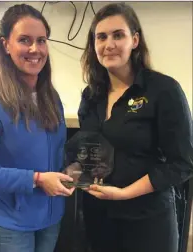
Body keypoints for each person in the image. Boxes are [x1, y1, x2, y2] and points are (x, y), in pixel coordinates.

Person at [0, 4, 75, 252]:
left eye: (41, 40)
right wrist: (36, 179)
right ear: (6, 45)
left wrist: (72, 168)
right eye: (24, 40)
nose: (35, 49)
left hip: (51, 219)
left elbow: (52, 152)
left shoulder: (51, 97)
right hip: (9, 225)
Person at [78, 3, 193, 252]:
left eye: (118, 35)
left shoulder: (164, 90)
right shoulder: (90, 95)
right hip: (99, 217)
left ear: (135, 40)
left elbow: (183, 163)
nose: (109, 44)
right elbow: (88, 152)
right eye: (101, 37)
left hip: (148, 220)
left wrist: (125, 193)